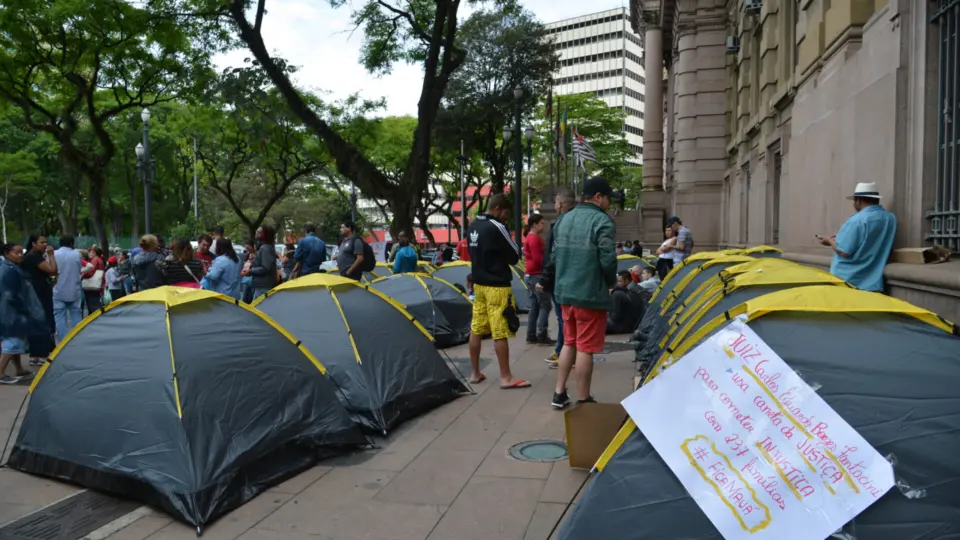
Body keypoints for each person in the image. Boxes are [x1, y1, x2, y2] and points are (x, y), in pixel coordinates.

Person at [550, 177, 617, 408]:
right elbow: (607, 259)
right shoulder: (602, 222)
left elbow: (554, 256)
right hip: (590, 293)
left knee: (569, 342)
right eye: (608, 198)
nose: (609, 203)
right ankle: (584, 398)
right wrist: (610, 283)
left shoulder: (563, 220)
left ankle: (559, 393)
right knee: (586, 348)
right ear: (598, 197)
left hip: (565, 293)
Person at [467, 193, 530, 390]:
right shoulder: (497, 227)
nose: (505, 217)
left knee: (476, 328)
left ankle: (475, 373)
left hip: (479, 285)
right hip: (497, 286)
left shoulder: (473, 226)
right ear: (497, 209)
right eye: (504, 213)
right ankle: (506, 377)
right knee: (500, 330)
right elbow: (514, 255)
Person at [819, 182, 897, 292]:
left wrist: (829, 241)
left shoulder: (856, 220)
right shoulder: (890, 219)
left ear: (858, 200)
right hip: (873, 282)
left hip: (848, 281)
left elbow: (844, 251)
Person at [537, 188, 577, 368]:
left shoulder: (560, 224)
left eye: (555, 201)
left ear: (560, 204)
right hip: (571, 277)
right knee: (566, 317)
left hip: (559, 279)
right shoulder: (576, 222)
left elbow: (553, 255)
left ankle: (564, 352)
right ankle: (564, 349)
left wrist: (544, 279)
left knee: (563, 318)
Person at [0, 243, 47, 383]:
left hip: (11, 311)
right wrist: (22, 308)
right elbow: (10, 294)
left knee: (16, 340)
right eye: (16, 253)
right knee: (13, 342)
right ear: (7, 254)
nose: (20, 255)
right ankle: (1, 373)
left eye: (21, 252)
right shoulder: (9, 270)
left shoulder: (10, 268)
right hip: (12, 312)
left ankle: (19, 369)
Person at [21, 235, 57, 365]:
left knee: (37, 321)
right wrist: (51, 255)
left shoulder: (31, 257)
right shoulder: (34, 257)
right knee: (43, 320)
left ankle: (35, 354)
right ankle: (42, 353)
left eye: (46, 242)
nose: (45, 245)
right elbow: (52, 270)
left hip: (37, 292)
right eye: (42, 242)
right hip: (38, 295)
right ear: (33, 243)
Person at [522, 214, 554, 345]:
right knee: (545, 304)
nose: (543, 225)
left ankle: (531, 335)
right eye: (541, 223)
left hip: (530, 274)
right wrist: (547, 269)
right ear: (534, 224)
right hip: (536, 275)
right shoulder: (534, 239)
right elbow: (537, 259)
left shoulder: (529, 237)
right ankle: (542, 334)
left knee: (535, 305)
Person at [52, 235, 83, 342]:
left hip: (58, 290)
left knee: (59, 318)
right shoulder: (77, 255)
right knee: (76, 315)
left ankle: (63, 342)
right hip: (74, 290)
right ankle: (77, 339)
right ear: (71, 243)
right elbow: (79, 270)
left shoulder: (54, 254)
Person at [249, 225, 279, 299]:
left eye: (259, 232)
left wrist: (251, 271)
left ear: (265, 235)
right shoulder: (266, 247)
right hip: (262, 285)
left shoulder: (265, 248)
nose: (256, 233)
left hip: (263, 286)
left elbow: (265, 268)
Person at [80, 249, 103, 315]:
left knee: (93, 305)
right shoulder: (99, 259)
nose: (89, 254)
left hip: (92, 286)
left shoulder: (95, 260)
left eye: (90, 253)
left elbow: (90, 272)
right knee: (94, 304)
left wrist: (82, 275)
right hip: (95, 285)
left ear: (94, 253)